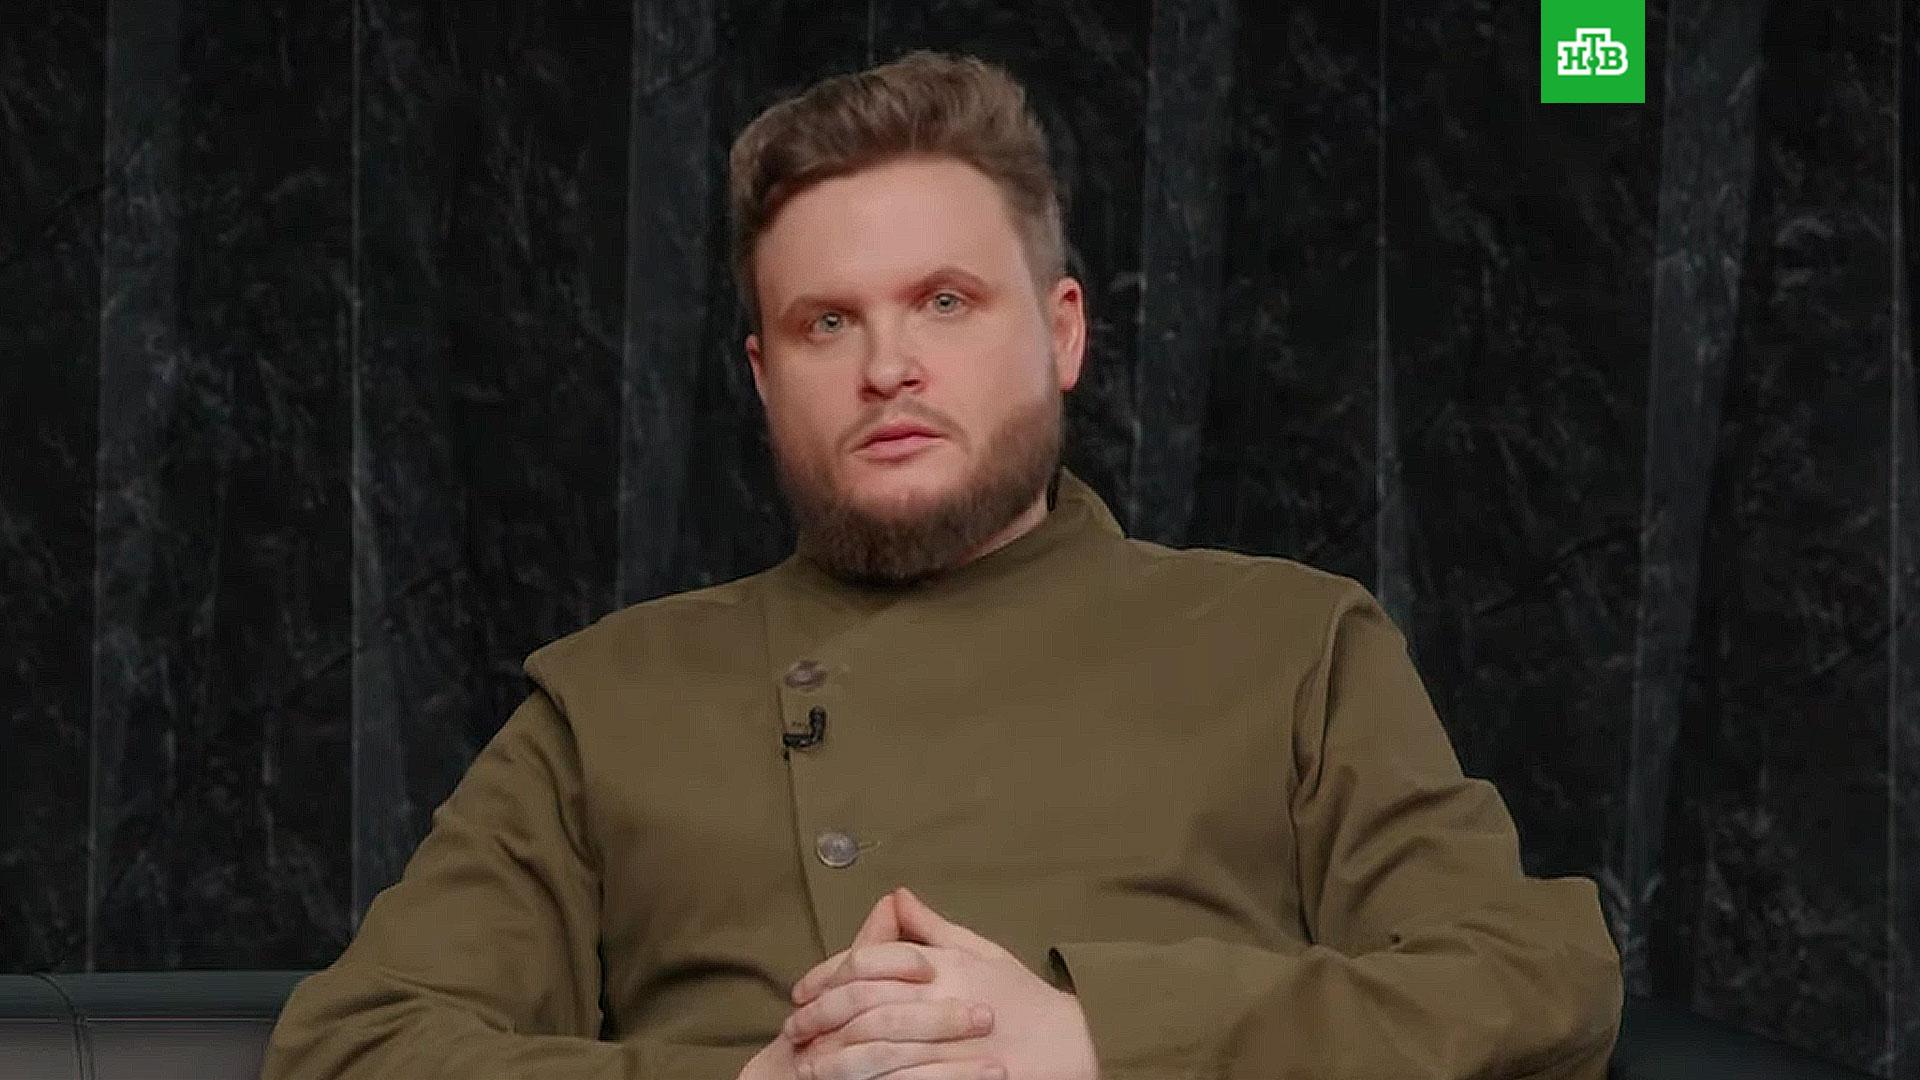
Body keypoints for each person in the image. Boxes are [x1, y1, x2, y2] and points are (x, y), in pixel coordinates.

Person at [261, 49, 1623, 1080]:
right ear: (763, 377)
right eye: (826, 322)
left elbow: (1532, 980)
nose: (887, 366)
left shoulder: (1286, 643)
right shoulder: (612, 697)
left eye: (946, 302)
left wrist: (1093, 1040)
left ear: (1063, 332)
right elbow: (353, 1047)